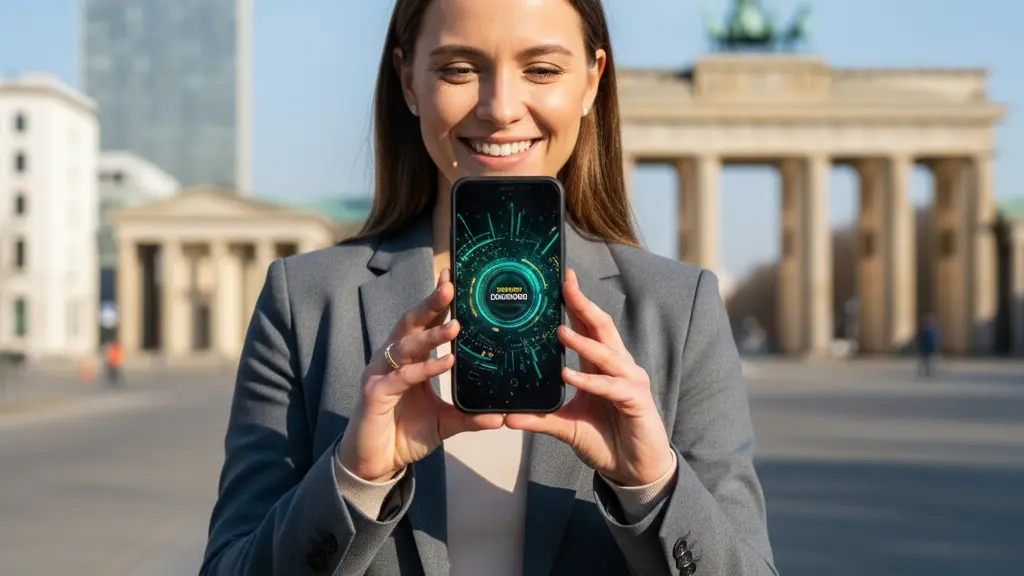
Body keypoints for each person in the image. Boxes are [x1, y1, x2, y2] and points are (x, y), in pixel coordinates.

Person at [200, 1, 776, 574]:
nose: (501, 108)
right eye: (458, 69)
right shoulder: (304, 302)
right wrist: (353, 479)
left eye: (542, 70)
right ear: (408, 80)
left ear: (591, 80)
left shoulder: (680, 309)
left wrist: (653, 485)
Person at [917, 312, 941, 378]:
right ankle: (927, 372)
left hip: (930, 348)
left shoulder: (933, 330)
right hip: (926, 348)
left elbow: (935, 339)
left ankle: (929, 372)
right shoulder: (929, 330)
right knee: (926, 362)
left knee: (929, 362)